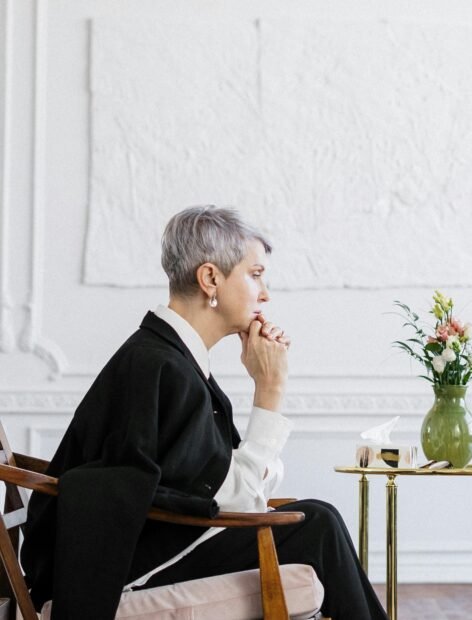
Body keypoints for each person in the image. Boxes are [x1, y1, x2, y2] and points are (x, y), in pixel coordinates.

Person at [22, 206, 387, 619]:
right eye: (255, 274)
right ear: (211, 278)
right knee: (317, 522)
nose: (265, 293)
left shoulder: (171, 358)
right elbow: (237, 503)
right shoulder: (163, 366)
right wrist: (270, 391)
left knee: (318, 519)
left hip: (147, 545)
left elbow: (231, 488)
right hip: (122, 568)